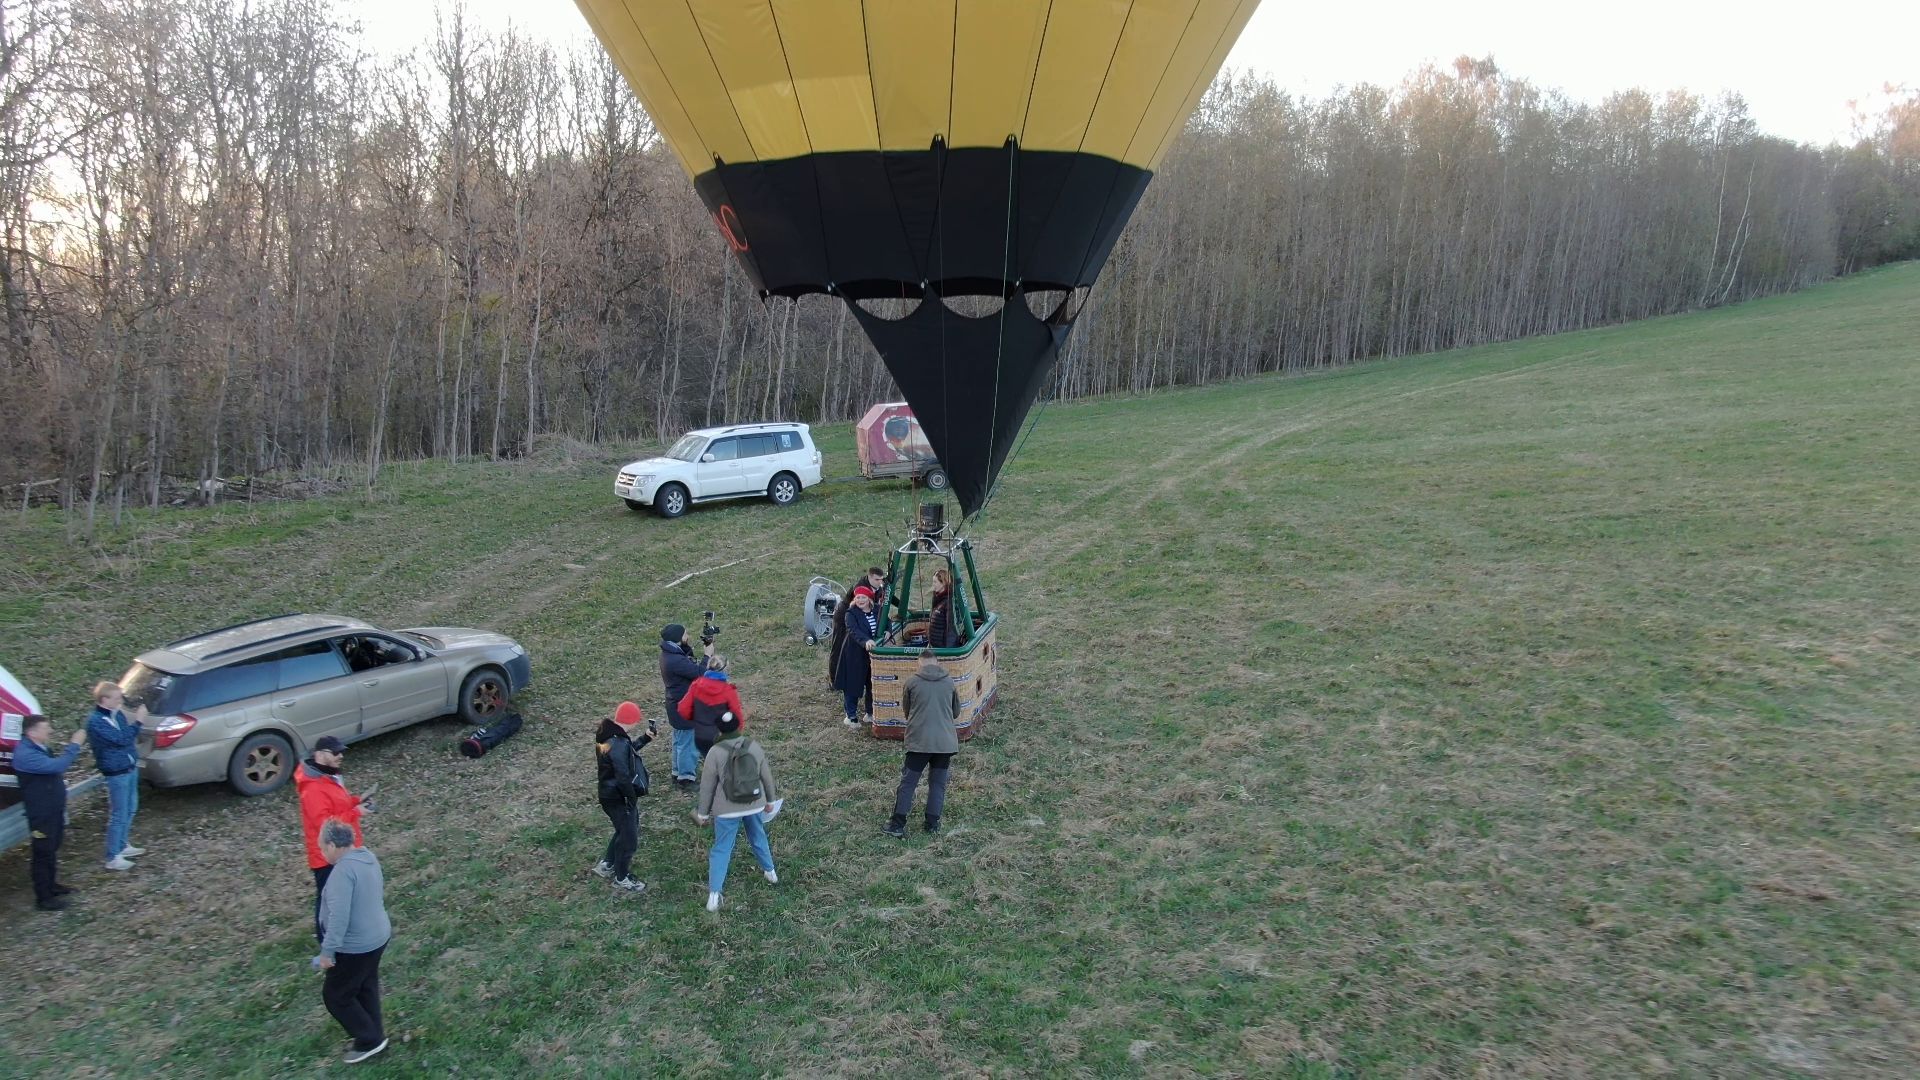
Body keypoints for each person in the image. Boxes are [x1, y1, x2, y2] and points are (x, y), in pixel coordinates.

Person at [315, 818, 392, 1065]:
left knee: (336, 995)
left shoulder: (342, 873)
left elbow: (339, 918)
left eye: (322, 848)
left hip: (356, 946)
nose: (322, 853)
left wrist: (328, 952)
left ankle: (368, 1040)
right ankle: (375, 1034)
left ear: (332, 845)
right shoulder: (367, 858)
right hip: (378, 936)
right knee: (365, 985)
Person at [693, 711, 778, 912]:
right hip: (754, 803)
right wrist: (770, 801)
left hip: (725, 810)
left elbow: (707, 786)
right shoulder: (753, 746)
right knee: (758, 836)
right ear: (739, 726)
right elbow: (766, 776)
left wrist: (703, 813)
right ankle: (770, 872)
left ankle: (714, 894)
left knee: (722, 848)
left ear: (719, 729)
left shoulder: (714, 751)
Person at [295, 736, 368, 943]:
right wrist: (356, 812)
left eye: (341, 751)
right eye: (335, 752)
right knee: (329, 901)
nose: (340, 756)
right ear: (320, 754)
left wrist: (356, 801)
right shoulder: (312, 788)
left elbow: (337, 805)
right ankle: (326, 942)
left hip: (342, 850)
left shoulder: (328, 777)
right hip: (327, 857)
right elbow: (325, 825)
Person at [884, 650, 961, 838]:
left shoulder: (912, 682)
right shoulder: (949, 682)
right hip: (944, 743)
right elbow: (956, 712)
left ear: (919, 664)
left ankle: (897, 824)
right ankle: (932, 824)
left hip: (919, 742)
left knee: (908, 783)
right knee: (938, 784)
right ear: (937, 663)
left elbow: (907, 710)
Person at [13, 715, 84, 911]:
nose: (50, 731)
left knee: (52, 847)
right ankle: (43, 898)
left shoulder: (39, 747)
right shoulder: (26, 754)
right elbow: (57, 766)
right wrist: (74, 745)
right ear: (32, 732)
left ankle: (51, 886)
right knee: (43, 852)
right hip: (41, 813)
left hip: (52, 808)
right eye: (46, 728)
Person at [593, 701, 654, 894]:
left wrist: (645, 739)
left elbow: (625, 753)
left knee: (622, 829)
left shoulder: (608, 737)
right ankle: (622, 877)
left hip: (607, 794)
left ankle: (607, 863)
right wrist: (631, 799)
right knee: (629, 838)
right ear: (632, 720)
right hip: (619, 798)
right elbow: (623, 776)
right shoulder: (618, 743)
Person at [86, 681, 148, 870]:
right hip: (116, 773)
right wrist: (139, 721)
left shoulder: (117, 714)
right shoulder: (96, 721)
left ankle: (122, 844)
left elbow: (126, 738)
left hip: (129, 767)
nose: (120, 701)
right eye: (116, 698)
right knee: (118, 814)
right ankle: (113, 856)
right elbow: (121, 739)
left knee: (130, 808)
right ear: (104, 699)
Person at [658, 623, 713, 793]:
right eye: (685, 634)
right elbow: (700, 673)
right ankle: (686, 778)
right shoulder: (675, 660)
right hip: (683, 706)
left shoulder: (669, 654)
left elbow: (686, 661)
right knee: (688, 744)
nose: (687, 636)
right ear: (678, 638)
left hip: (675, 705)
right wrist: (707, 655)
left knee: (679, 741)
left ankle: (677, 773)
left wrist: (689, 647)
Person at [677, 654, 750, 760]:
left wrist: (697, 718)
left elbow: (683, 709)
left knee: (710, 763)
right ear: (725, 670)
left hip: (701, 737)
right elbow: (737, 717)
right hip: (722, 738)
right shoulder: (728, 691)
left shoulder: (696, 686)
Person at [826, 567, 888, 681]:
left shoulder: (877, 586)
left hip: (860, 618)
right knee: (839, 648)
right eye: (877, 579)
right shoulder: (861, 588)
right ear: (869, 577)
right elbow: (858, 608)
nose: (880, 582)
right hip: (844, 617)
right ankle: (834, 680)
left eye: (881, 579)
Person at [833, 586, 880, 729]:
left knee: (872, 683)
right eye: (858, 597)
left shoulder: (878, 610)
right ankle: (851, 716)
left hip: (872, 655)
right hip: (854, 654)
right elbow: (853, 630)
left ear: (869, 599)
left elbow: (887, 623)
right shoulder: (851, 613)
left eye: (863, 597)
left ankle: (870, 712)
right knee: (852, 685)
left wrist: (888, 632)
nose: (860, 600)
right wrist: (866, 641)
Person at [926, 567, 957, 649]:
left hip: (943, 649)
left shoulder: (948, 602)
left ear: (943, 583)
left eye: (935, 582)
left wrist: (947, 651)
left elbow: (950, 629)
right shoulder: (937, 599)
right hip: (935, 647)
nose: (933, 585)